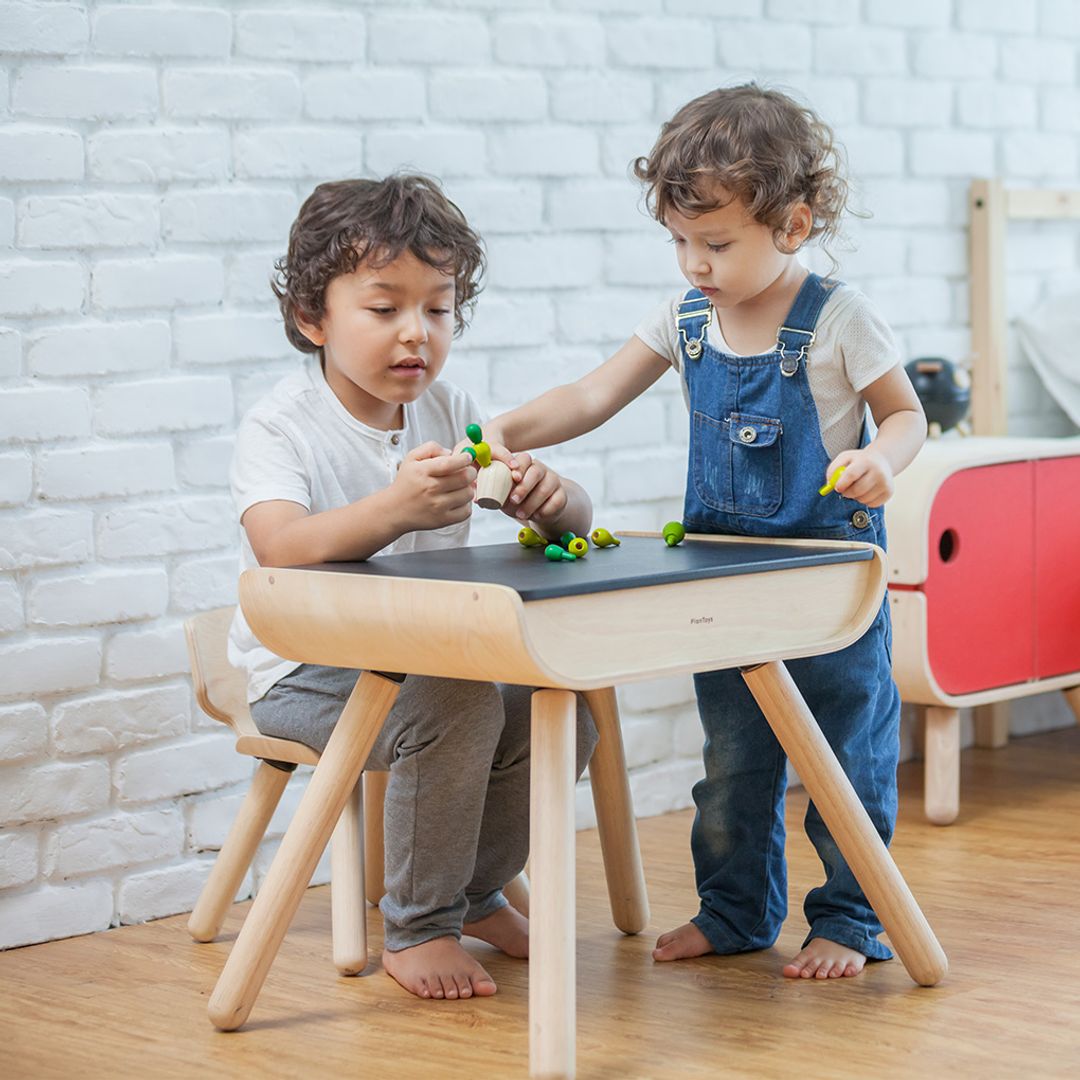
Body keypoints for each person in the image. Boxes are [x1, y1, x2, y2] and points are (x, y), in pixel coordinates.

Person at [488, 85, 927, 980]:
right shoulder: (686, 320)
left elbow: (907, 415)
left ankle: (851, 920)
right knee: (731, 768)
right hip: (724, 590)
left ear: (794, 225)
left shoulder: (839, 319)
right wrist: (504, 431)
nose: (695, 264)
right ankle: (734, 913)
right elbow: (590, 395)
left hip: (830, 583)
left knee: (847, 757)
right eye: (681, 242)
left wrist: (884, 457)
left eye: (717, 244)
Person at [227, 175, 597, 1001]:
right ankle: (419, 926)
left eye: (438, 309)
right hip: (301, 671)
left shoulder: (450, 409)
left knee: (557, 707)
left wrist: (550, 501)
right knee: (458, 704)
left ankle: (474, 892)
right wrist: (391, 510)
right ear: (311, 317)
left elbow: (569, 527)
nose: (416, 334)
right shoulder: (281, 424)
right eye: (384, 307)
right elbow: (280, 547)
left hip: (429, 662)